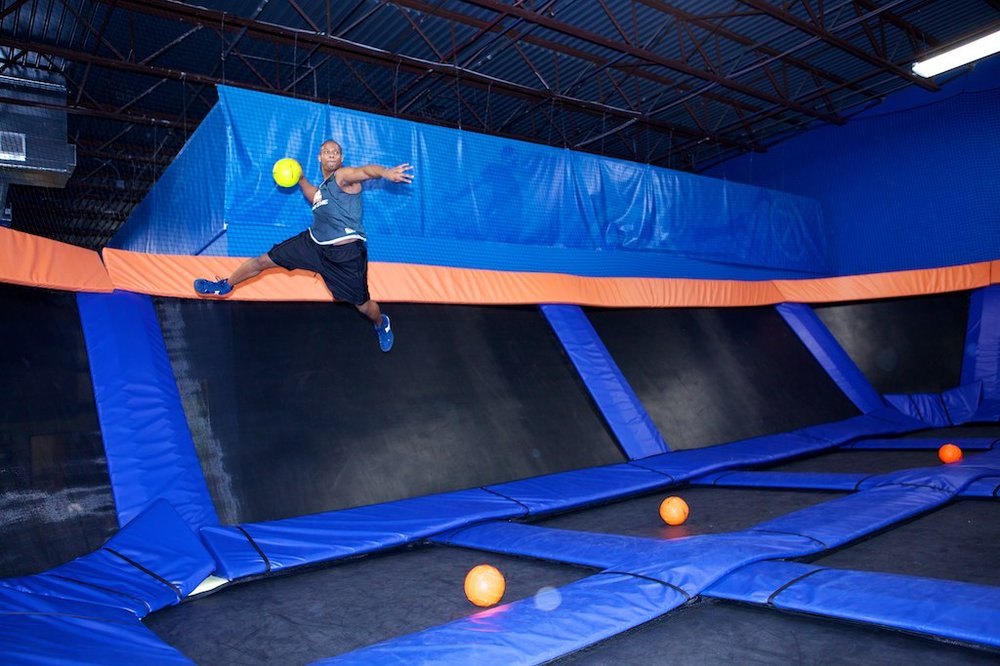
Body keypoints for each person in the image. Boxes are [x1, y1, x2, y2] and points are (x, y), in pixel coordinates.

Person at [194, 140, 414, 352]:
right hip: (312, 244)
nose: (331, 153)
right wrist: (300, 178)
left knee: (363, 305)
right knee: (263, 260)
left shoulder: (343, 177)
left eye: (335, 151)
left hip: (346, 255)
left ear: (341, 158)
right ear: (319, 157)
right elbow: (313, 196)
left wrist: (385, 172)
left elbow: (365, 171)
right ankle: (224, 285)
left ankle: (381, 322)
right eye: (326, 151)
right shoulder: (323, 190)